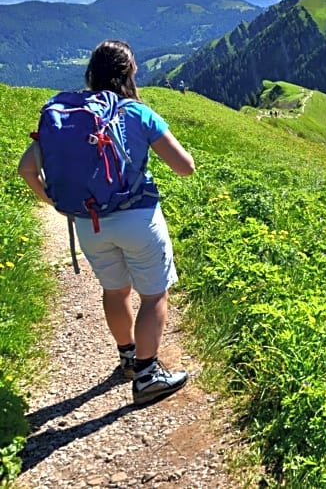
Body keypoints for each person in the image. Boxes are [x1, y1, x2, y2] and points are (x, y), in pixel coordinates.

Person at [18, 40, 196, 405]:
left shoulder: (64, 115)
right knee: (154, 294)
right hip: (138, 218)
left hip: (89, 222)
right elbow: (184, 167)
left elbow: (26, 169)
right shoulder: (136, 113)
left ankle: (128, 359)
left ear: (92, 73)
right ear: (129, 73)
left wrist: (54, 202)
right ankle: (147, 376)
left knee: (115, 291)